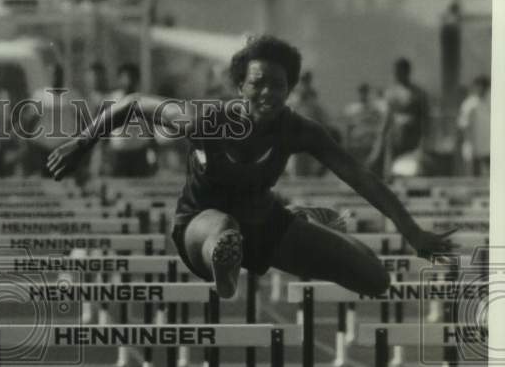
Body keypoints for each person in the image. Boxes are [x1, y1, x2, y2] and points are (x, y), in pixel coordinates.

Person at [46, 35, 456, 300]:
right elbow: (134, 103)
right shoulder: (207, 120)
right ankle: (225, 267)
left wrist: (411, 231)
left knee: (376, 280)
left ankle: (305, 225)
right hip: (200, 226)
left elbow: (361, 178)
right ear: (240, 86)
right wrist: (82, 143)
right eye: (257, 83)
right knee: (225, 229)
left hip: (265, 224)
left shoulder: (299, 130)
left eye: (278, 85)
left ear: (290, 89)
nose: (267, 93)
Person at [369, 56, 430, 177]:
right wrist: (380, 140)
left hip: (413, 137)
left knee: (411, 169)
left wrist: (425, 140)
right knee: (390, 170)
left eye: (400, 71)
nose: (397, 74)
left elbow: (425, 118)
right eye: (396, 71)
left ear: (407, 72)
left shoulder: (418, 93)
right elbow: (387, 118)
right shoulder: (391, 92)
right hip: (395, 137)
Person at [107, 62, 154, 177]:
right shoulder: (111, 99)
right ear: (119, 79)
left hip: (139, 153)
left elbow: (151, 127)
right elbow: (103, 128)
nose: (129, 81)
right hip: (118, 154)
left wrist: (153, 153)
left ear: (137, 80)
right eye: (125, 77)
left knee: (141, 186)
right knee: (117, 186)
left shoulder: (145, 100)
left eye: (132, 77)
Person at [342, 82, 385, 171]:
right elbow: (348, 129)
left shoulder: (375, 109)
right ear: (359, 92)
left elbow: (379, 127)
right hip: (356, 145)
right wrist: (346, 145)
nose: (364, 94)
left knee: (369, 169)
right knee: (356, 170)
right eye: (362, 91)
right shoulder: (352, 109)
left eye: (366, 91)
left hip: (369, 144)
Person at [457, 74, 490, 176]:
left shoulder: (491, 102)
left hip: (488, 148)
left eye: (484, 86)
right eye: (479, 86)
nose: (482, 89)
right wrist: (468, 144)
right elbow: (464, 125)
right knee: (473, 176)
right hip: (473, 148)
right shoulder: (469, 104)